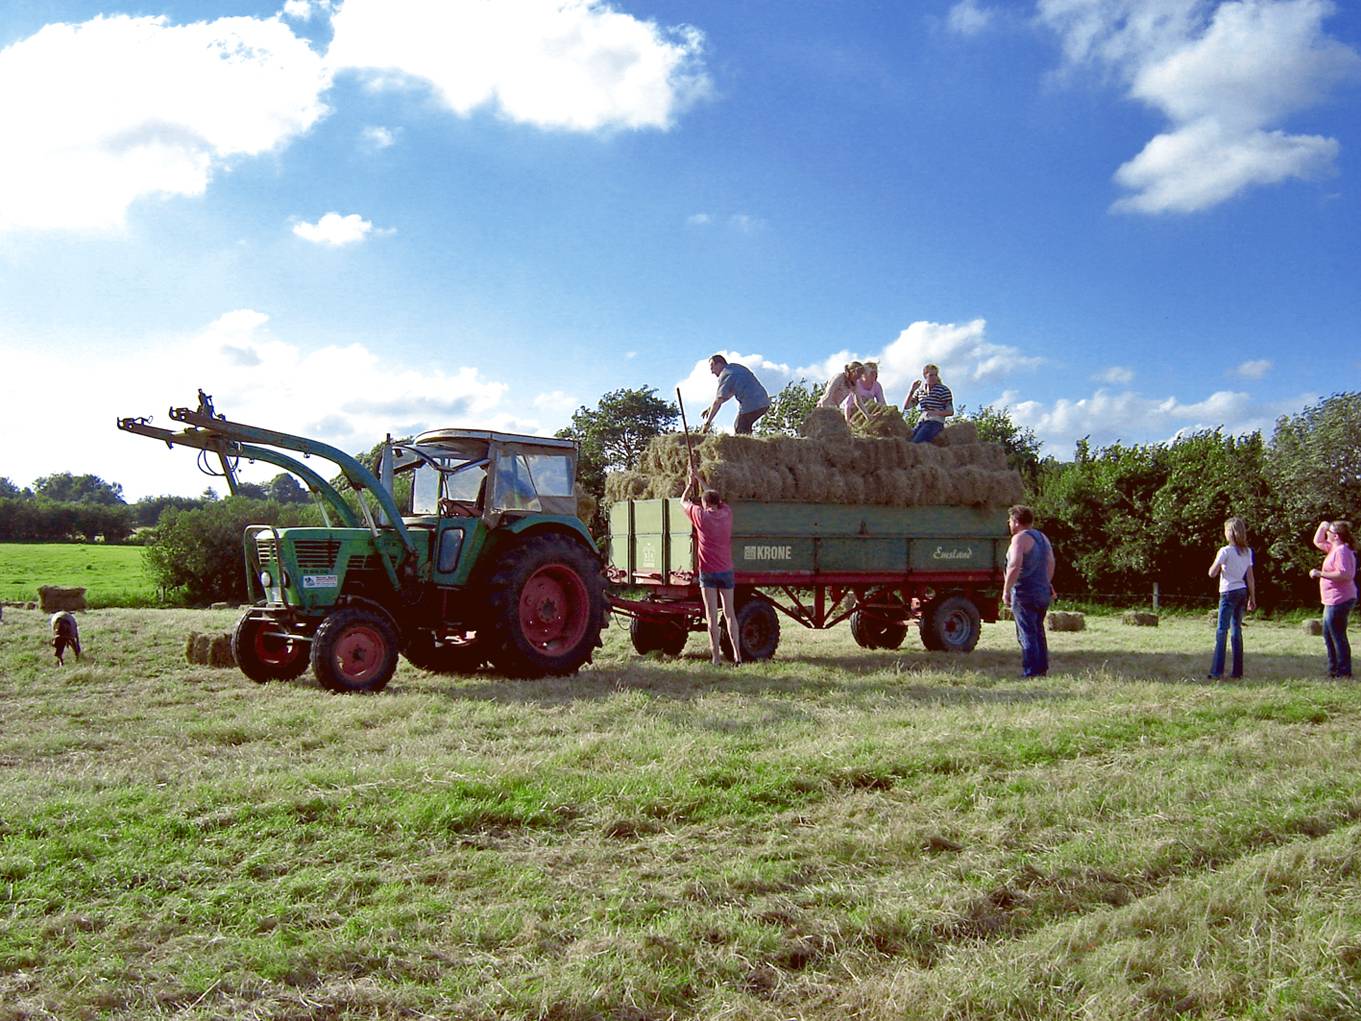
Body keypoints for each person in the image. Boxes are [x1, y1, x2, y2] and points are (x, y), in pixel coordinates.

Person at [682, 466, 741, 664]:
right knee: (729, 614)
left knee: (711, 617)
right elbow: (713, 497)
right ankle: (737, 656)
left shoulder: (700, 516)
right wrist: (700, 479)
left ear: (705, 503)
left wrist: (690, 485)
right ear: (718, 502)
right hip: (726, 572)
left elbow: (683, 502)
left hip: (707, 573)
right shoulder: (727, 514)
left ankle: (716, 658)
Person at [1001, 505, 1055, 678]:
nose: (1009, 524)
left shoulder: (1019, 539)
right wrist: (1047, 582)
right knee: (1038, 630)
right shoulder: (1042, 538)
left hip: (1024, 592)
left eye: (1010, 521)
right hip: (1042, 591)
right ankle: (1042, 669)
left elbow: (1015, 565)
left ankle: (1030, 672)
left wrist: (1006, 590)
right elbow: (1051, 562)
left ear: (1016, 522)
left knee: (1026, 633)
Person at [1207, 516, 1256, 680]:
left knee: (1222, 631)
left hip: (1228, 592)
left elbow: (1212, 573)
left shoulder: (1225, 551)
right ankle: (1237, 672)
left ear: (1230, 532)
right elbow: (1250, 577)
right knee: (1237, 631)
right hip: (1242, 591)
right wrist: (1252, 597)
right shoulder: (1247, 552)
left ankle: (1217, 671)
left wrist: (1220, 565)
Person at [1310, 520, 1356, 678]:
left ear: (1335, 536)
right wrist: (1323, 526)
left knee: (1337, 636)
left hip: (1340, 599)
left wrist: (1320, 573)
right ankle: (1333, 669)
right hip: (1331, 599)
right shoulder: (1333, 548)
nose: (1326, 534)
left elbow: (1345, 574)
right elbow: (1317, 541)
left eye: (1329, 531)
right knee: (1328, 635)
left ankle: (1343, 672)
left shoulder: (1342, 551)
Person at [700, 354, 770, 435]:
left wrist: (707, 423)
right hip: (764, 402)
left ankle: (746, 446)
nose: (712, 371)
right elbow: (728, 394)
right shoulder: (735, 367)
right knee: (745, 426)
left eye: (712, 367)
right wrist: (710, 408)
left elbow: (718, 401)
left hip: (751, 404)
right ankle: (751, 444)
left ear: (719, 364)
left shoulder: (725, 374)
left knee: (739, 427)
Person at [903, 363, 953, 443]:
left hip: (935, 422)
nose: (934, 378)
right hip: (922, 421)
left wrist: (936, 413)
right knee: (907, 441)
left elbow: (950, 411)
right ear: (925, 376)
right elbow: (907, 407)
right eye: (931, 375)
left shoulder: (943, 390)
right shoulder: (920, 391)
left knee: (916, 442)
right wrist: (912, 391)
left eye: (935, 375)